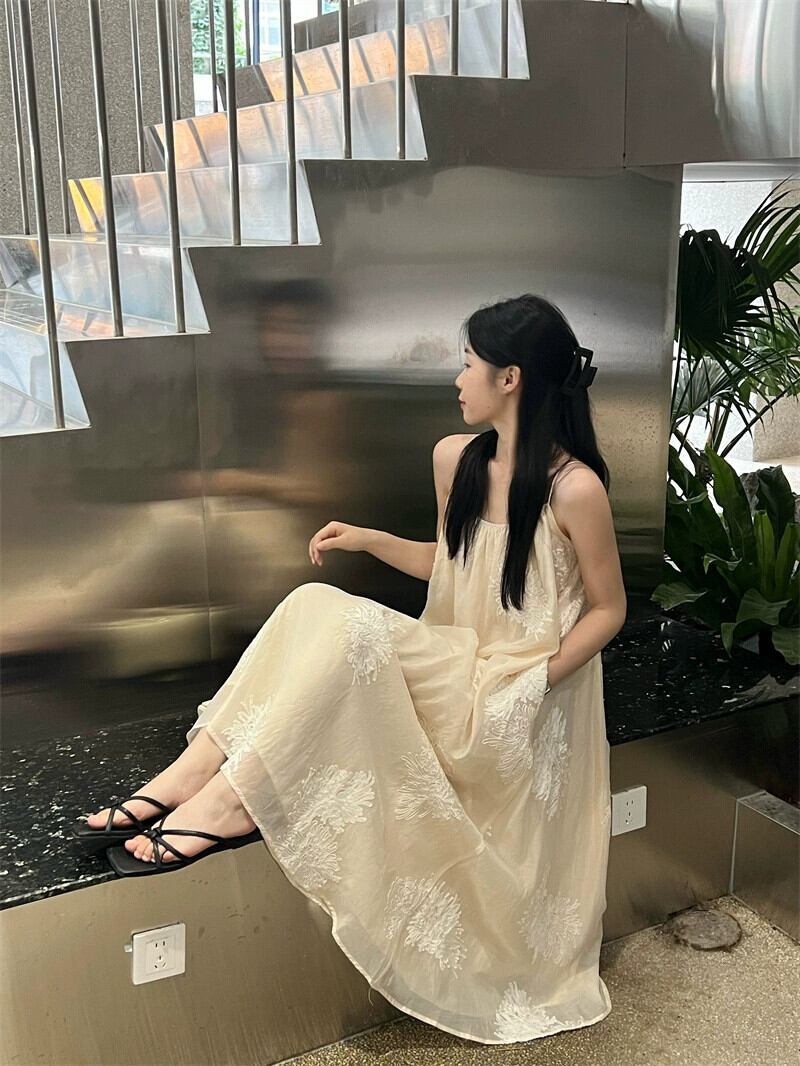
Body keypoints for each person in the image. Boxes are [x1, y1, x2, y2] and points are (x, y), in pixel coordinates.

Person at [76, 293, 627, 1045]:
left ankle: (229, 802)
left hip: (512, 690)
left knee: (354, 630)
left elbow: (608, 608)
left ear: (511, 379)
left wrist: (533, 684)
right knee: (314, 602)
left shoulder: (575, 488)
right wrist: (369, 539)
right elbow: (455, 564)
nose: (457, 379)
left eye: (468, 364)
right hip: (456, 662)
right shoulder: (456, 458)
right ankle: (191, 777)